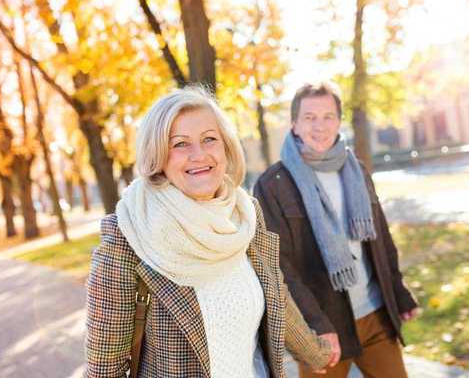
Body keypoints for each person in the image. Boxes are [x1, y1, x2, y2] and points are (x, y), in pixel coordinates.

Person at [84, 87, 331, 378]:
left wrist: (317, 352)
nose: (198, 155)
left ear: (225, 147)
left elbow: (277, 298)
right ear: (158, 157)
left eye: (209, 139)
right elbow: (104, 370)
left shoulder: (245, 216)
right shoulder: (129, 234)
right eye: (180, 144)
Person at [254, 82, 418, 378]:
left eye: (328, 116)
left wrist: (398, 291)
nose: (320, 126)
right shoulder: (273, 184)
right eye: (310, 117)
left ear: (339, 121)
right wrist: (315, 324)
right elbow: (279, 266)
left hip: (375, 315)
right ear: (294, 124)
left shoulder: (356, 169)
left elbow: (380, 237)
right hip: (324, 330)